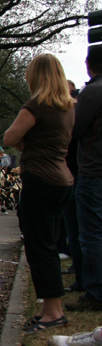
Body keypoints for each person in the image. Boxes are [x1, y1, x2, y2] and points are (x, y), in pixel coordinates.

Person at [4, 53, 75, 333]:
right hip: (62, 179)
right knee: (49, 243)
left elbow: (9, 137)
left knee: (39, 246)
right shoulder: (68, 107)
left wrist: (24, 142)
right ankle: (49, 307)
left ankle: (54, 312)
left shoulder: (36, 105)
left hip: (40, 179)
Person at [67, 45, 102, 312]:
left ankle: (95, 292)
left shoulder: (93, 91)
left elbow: (76, 129)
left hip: (92, 170)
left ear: (90, 65)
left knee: (90, 235)